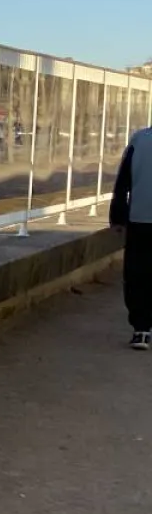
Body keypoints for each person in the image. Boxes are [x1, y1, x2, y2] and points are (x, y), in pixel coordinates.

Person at [110, 117, 152, 350]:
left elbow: (122, 182)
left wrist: (117, 216)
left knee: (138, 274)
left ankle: (141, 329)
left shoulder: (138, 140)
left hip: (140, 220)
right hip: (140, 219)